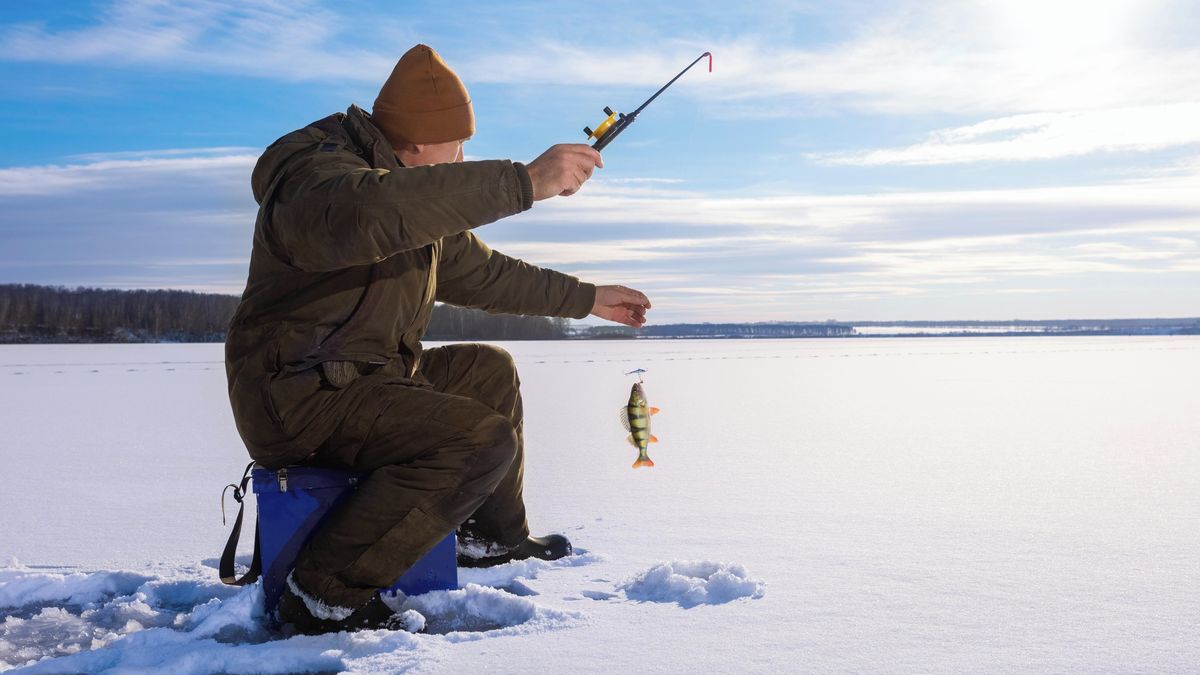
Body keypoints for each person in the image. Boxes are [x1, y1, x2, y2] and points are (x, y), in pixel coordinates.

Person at [224, 44, 652, 634]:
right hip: (297, 396)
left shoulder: (406, 195)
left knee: (487, 371)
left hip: (364, 380)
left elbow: (481, 272)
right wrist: (523, 181)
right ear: (421, 140)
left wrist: (588, 299)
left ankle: (491, 539)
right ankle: (321, 595)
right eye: (457, 144)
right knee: (477, 441)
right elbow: (365, 214)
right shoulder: (316, 183)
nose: (461, 157)